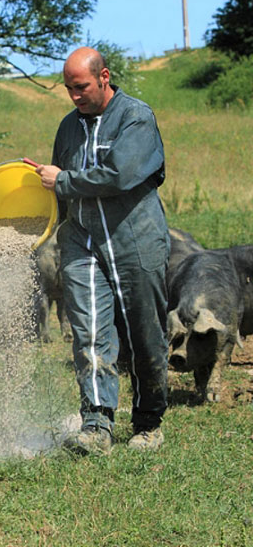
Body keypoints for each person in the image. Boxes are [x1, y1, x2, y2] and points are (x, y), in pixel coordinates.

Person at [34, 46, 170, 454]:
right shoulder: (68, 127)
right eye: (69, 89)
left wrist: (63, 181)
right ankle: (97, 423)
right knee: (90, 333)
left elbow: (120, 175)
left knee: (145, 334)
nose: (75, 96)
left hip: (135, 240)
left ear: (104, 77)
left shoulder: (135, 117)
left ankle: (148, 422)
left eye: (82, 87)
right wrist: (36, 224)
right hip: (81, 239)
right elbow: (60, 185)